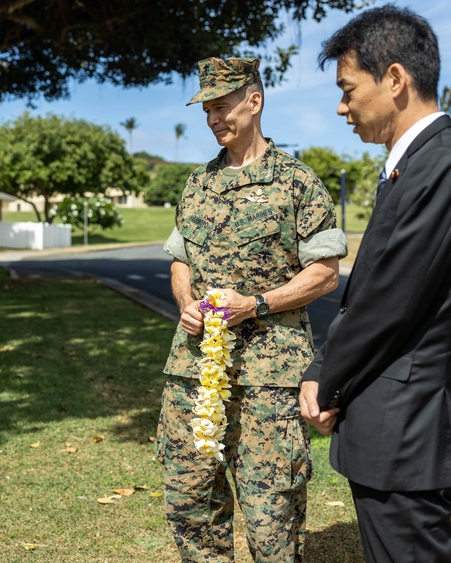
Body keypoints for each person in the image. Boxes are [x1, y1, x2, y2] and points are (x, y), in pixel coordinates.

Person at [299, 5, 451, 562]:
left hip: (410, 434)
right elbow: (371, 292)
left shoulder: (443, 165)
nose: (341, 107)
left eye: (347, 88)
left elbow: (389, 304)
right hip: (395, 433)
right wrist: (323, 369)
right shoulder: (416, 166)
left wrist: (326, 381)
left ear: (394, 79)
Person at [157, 56, 347, 562]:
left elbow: (325, 273)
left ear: (254, 101)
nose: (215, 119)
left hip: (270, 376)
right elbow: (180, 262)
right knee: (191, 503)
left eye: (223, 107)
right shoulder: (196, 184)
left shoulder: (297, 181)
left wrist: (256, 304)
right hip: (193, 372)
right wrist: (185, 304)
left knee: (272, 516)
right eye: (207, 111)